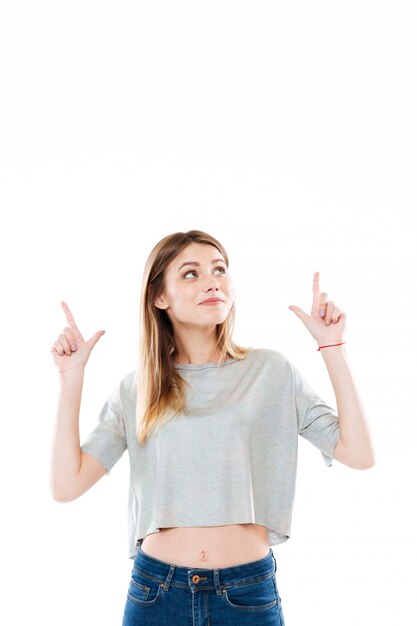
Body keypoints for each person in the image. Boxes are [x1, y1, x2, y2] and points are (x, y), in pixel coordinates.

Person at [50, 229, 375, 625]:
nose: (212, 281)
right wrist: (71, 379)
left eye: (219, 269)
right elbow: (67, 485)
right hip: (156, 594)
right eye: (191, 273)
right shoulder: (138, 388)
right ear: (159, 297)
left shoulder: (270, 372)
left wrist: (333, 347)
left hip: (247, 594)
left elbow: (358, 454)